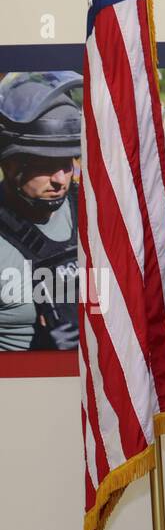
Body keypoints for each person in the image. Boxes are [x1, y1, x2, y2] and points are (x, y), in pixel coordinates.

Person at [0, 71, 82, 351]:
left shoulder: (98, 217)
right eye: (46, 165)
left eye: (68, 163)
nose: (61, 179)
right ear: (11, 163)